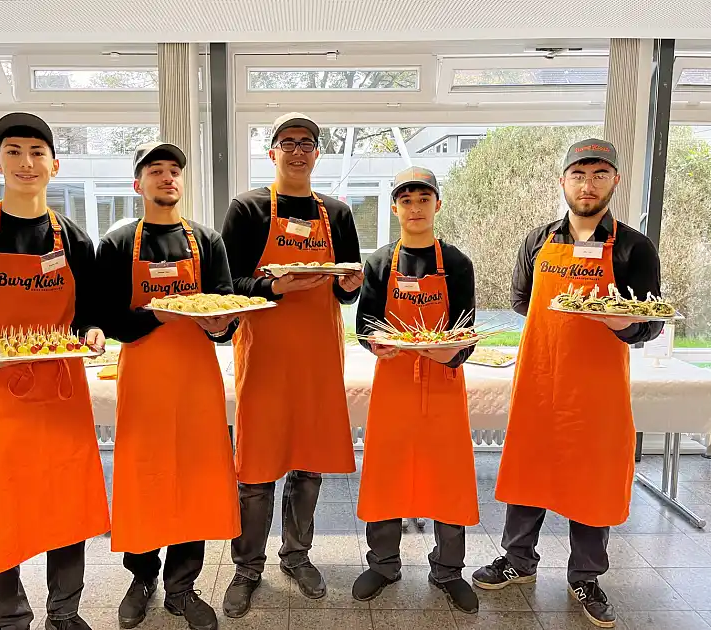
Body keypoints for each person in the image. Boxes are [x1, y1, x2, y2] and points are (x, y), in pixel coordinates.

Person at [472, 139, 665, 629]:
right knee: (529, 471)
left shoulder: (633, 246)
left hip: (597, 389)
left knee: (592, 478)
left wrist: (623, 326)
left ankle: (586, 576)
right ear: (563, 181)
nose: (588, 183)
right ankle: (518, 559)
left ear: (614, 180)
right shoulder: (538, 240)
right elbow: (522, 299)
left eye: (600, 174)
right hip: (540, 379)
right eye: (579, 174)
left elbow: (651, 320)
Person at [0, 112, 110, 630]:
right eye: (14, 152)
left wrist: (94, 331)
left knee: (67, 506)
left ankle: (65, 612)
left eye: (36, 152)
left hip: (62, 395)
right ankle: (9, 616)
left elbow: (90, 313)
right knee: (0, 508)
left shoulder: (73, 238)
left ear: (55, 164)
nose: (26, 163)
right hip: (1, 395)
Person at [219, 112, 363, 617]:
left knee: (309, 464)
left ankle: (297, 555)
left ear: (317, 153)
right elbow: (227, 285)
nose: (297, 150)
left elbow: (348, 284)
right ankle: (247, 567)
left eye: (307, 143)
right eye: (287, 142)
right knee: (256, 469)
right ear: (272, 152)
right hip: (265, 356)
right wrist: (271, 286)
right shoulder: (248, 208)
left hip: (319, 356)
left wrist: (350, 285)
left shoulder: (338, 213)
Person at [96, 141, 240, 630]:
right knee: (144, 479)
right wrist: (155, 314)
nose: (167, 178)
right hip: (144, 381)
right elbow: (110, 320)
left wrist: (221, 326)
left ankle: (183, 587)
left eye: (174, 170)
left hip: (196, 382)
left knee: (193, 481)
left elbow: (225, 310)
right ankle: (141, 578)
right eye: (155, 170)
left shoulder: (206, 241)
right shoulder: (117, 245)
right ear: (139, 184)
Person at [352, 167, 480, 613]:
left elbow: (466, 330)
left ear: (437, 205)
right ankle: (383, 564)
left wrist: (451, 354)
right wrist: (377, 344)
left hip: (444, 386)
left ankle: (448, 570)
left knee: (449, 479)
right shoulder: (380, 262)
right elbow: (366, 321)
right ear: (395, 208)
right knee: (386, 474)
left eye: (423, 199)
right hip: (394, 387)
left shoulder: (458, 263)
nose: (415, 207)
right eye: (406, 200)